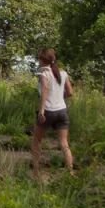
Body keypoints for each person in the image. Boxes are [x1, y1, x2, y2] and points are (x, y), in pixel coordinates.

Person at [32, 47, 74, 177]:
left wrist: (42, 110)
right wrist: (59, 98)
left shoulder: (43, 74)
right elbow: (70, 93)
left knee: (36, 142)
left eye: (39, 57)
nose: (38, 60)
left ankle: (36, 173)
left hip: (48, 111)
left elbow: (44, 89)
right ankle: (70, 172)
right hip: (62, 111)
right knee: (64, 143)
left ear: (42, 59)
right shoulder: (63, 73)